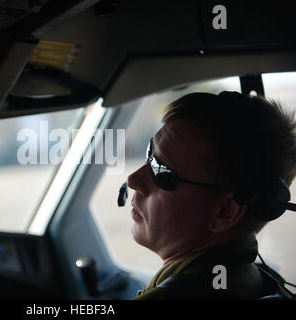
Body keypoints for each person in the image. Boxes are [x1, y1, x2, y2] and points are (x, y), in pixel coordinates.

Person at [127, 91, 296, 299]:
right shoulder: (262, 281)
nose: (133, 180)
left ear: (224, 212)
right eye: (149, 153)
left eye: (162, 171)